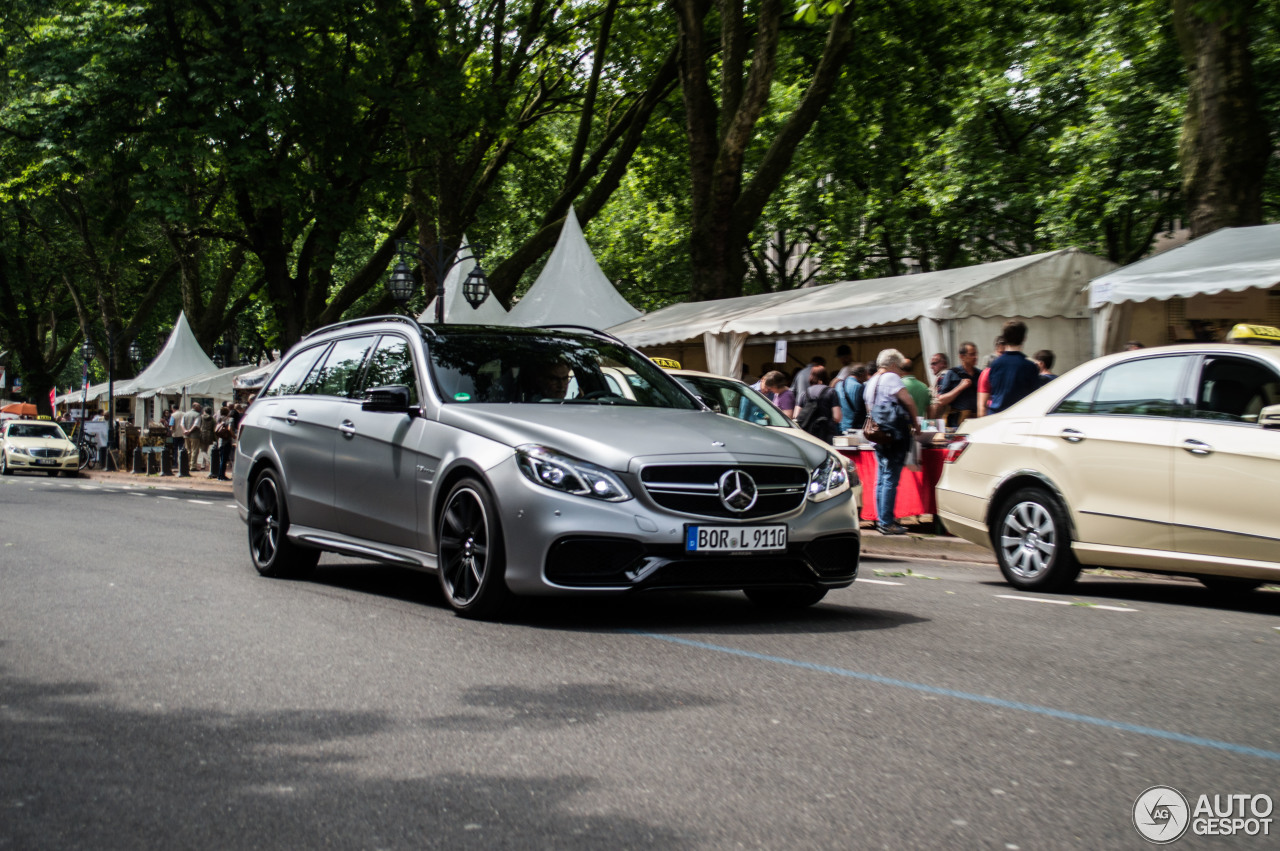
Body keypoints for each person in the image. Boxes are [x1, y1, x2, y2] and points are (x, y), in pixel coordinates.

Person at [863, 349, 919, 535]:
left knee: (881, 478)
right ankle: (887, 522)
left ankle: (882, 519)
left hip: (876, 435)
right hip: (892, 435)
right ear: (894, 364)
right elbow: (908, 401)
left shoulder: (871, 382)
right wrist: (916, 422)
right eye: (899, 366)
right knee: (890, 479)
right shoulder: (892, 379)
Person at [986, 320, 1042, 415]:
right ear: (1024, 338)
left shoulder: (995, 364)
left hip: (995, 416)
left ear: (1005, 338)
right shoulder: (1029, 366)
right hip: (1018, 417)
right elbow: (1035, 396)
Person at [932, 342, 979, 427]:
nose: (975, 357)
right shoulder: (952, 373)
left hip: (976, 421)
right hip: (957, 423)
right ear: (962, 356)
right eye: (972, 354)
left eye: (976, 354)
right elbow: (942, 400)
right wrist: (960, 387)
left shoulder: (980, 374)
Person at [792, 364, 841, 443]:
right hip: (826, 435)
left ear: (811, 377)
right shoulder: (831, 392)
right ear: (825, 377)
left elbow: (796, 415)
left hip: (808, 435)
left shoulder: (804, 394)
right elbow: (837, 417)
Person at [975, 337, 1006, 417]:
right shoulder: (989, 360)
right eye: (1001, 352)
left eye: (1005, 352)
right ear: (996, 349)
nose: (1002, 355)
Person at [834, 363, 868, 432]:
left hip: (840, 426)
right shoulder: (859, 387)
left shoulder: (838, 385)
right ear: (862, 375)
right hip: (853, 427)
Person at [900, 359, 931, 427]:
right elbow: (929, 410)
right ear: (913, 369)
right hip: (921, 427)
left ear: (900, 369)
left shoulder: (898, 386)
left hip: (903, 428)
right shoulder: (924, 387)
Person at [181, 402, 203, 469]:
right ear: (195, 407)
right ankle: (193, 466)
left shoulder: (185, 414)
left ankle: (187, 464)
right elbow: (196, 425)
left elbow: (181, 424)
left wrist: (185, 430)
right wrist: (190, 431)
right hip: (195, 435)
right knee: (195, 450)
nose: (200, 408)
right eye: (199, 407)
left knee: (188, 450)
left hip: (186, 435)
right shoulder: (197, 415)